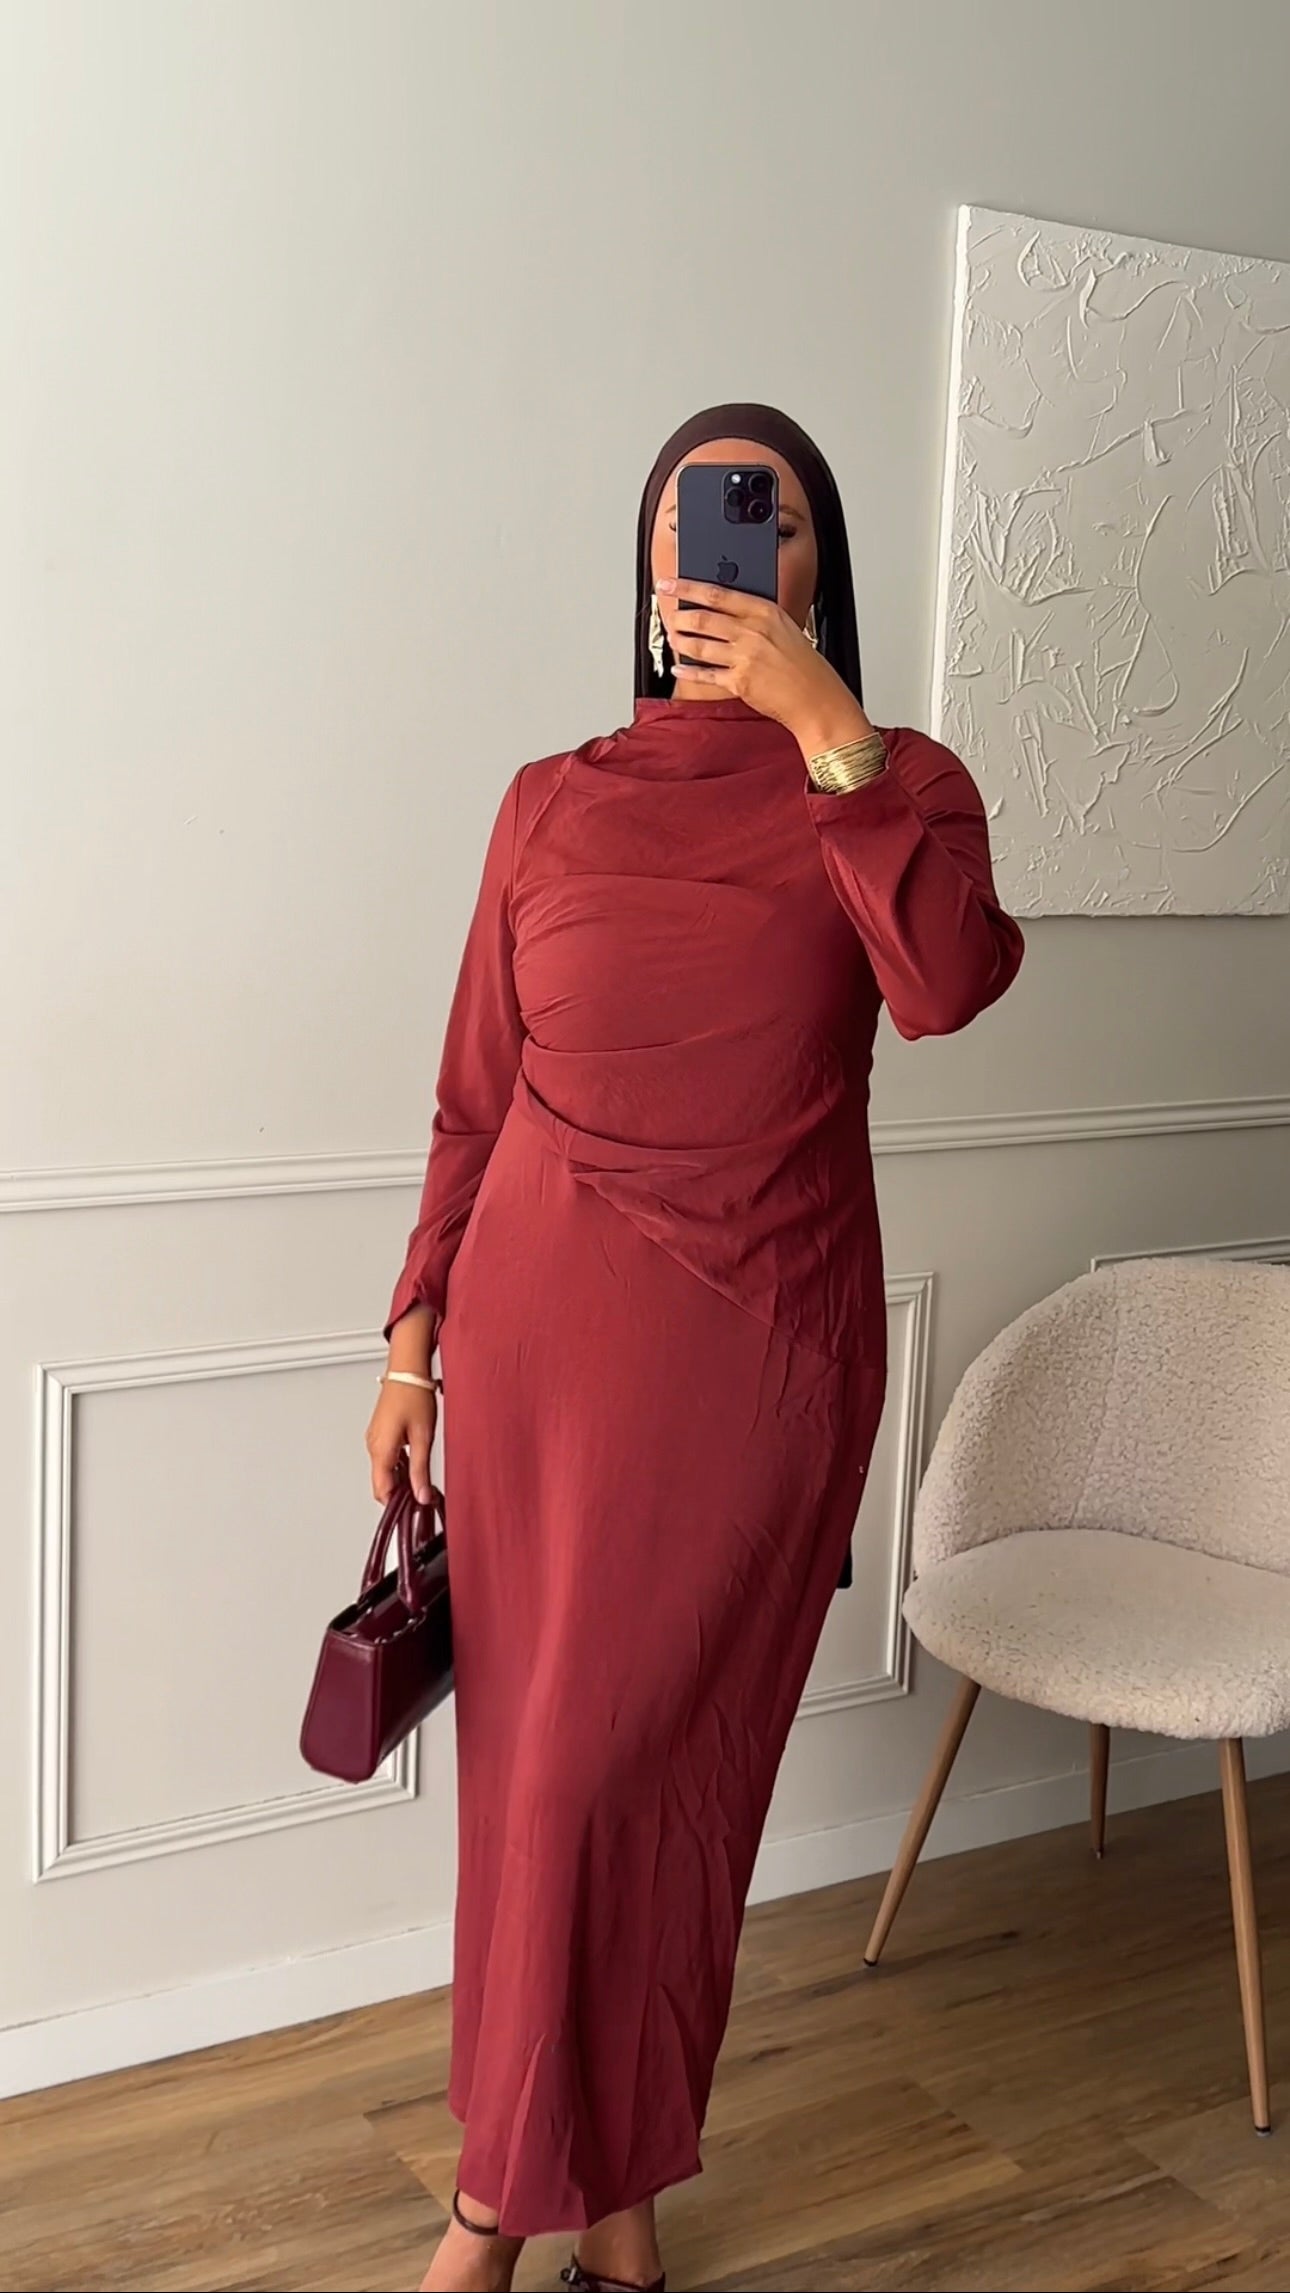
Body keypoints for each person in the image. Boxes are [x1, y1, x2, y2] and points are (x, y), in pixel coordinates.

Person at [367, 403, 1024, 2293]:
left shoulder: (892, 780)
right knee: (543, 1792)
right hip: (536, 1345)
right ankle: (623, 2219)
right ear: (648, 569)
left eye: (770, 518)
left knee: (643, 1783)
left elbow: (947, 984)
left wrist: (832, 735)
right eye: (692, 520)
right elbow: (472, 1098)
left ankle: (486, 2213)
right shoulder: (546, 800)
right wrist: (409, 1346)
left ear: (818, 566)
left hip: (754, 1355)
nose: (727, 550)